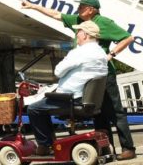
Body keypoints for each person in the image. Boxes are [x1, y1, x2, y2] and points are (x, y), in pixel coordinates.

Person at [22, 0, 137, 160]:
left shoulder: (103, 22)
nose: (78, 9)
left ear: (91, 9)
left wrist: (111, 54)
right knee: (98, 113)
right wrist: (33, 6)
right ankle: (105, 148)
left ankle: (128, 148)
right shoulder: (78, 20)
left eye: (82, 7)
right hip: (89, 74)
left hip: (103, 74)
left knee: (115, 112)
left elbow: (128, 37)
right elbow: (56, 15)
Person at [26, 21, 108, 156]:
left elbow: (58, 72)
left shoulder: (79, 52)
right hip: (88, 99)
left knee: (34, 109)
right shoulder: (101, 54)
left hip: (71, 98)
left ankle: (45, 145)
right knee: (42, 106)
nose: (76, 35)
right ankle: (50, 142)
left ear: (85, 35)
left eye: (78, 32)